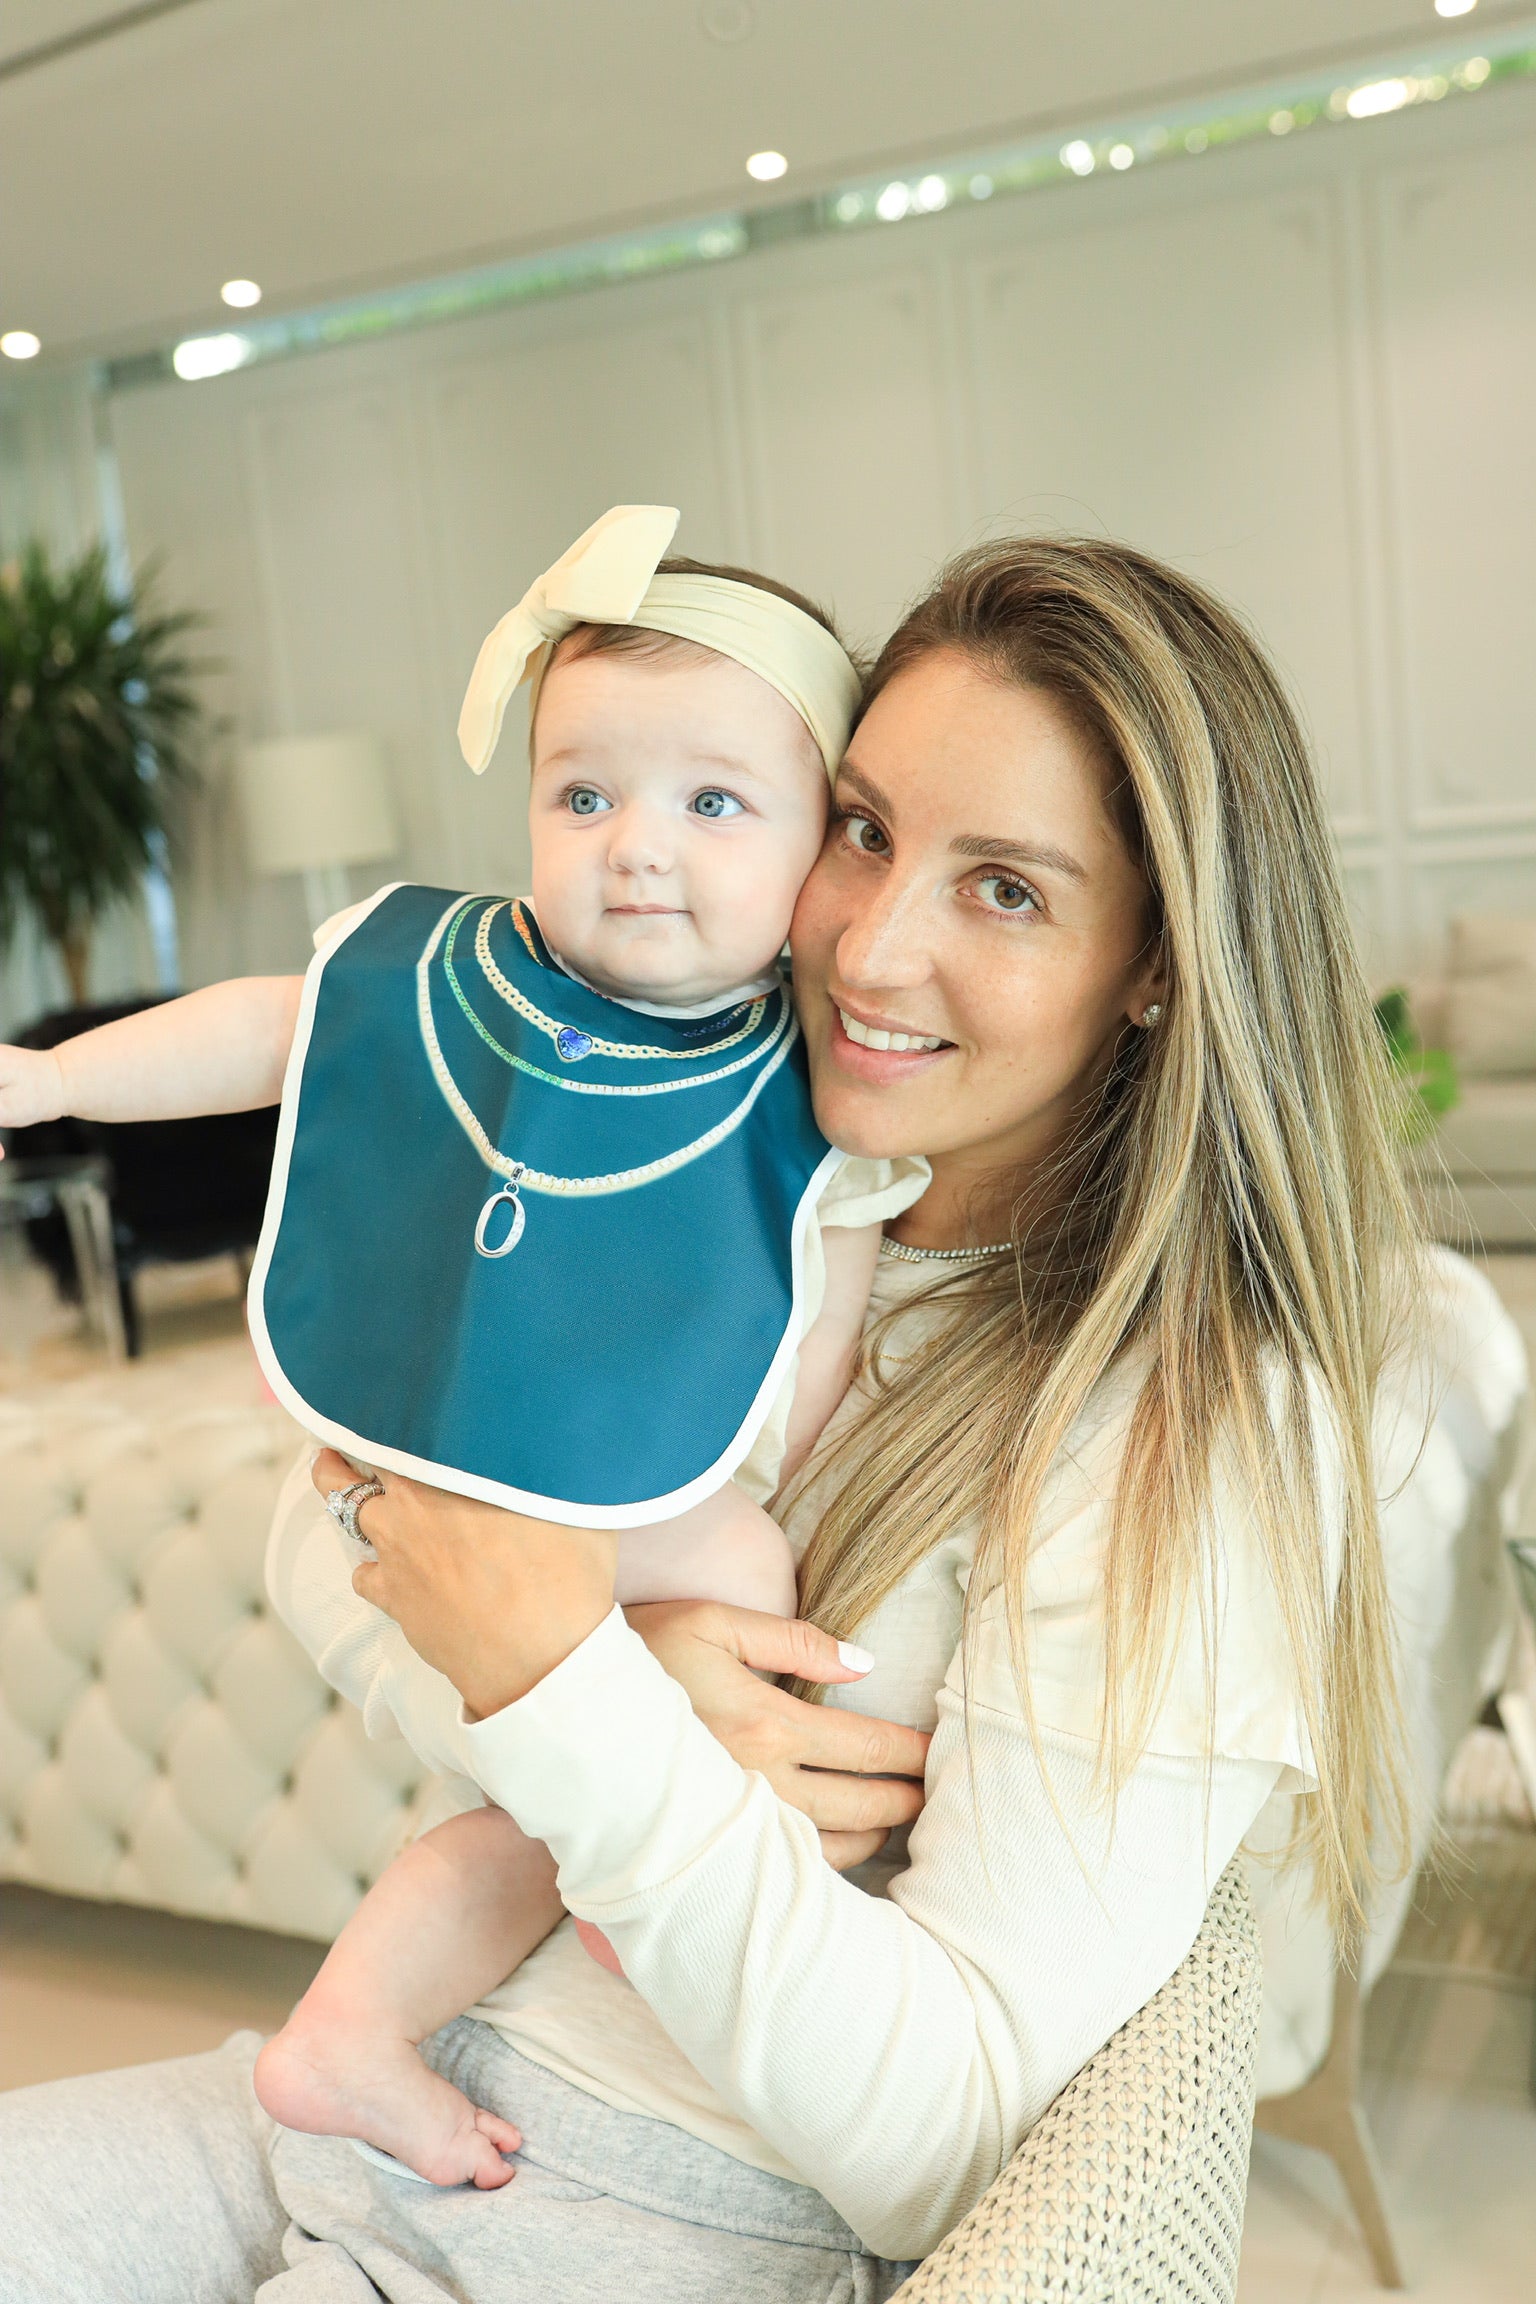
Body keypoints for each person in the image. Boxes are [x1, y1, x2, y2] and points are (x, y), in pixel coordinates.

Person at [0, 536, 1417, 2304]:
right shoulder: (726, 1161)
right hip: (391, 2069)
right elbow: (342, 1523)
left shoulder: (1185, 1430)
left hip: (635, 2211)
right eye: (866, 832)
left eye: (1008, 890)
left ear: (1159, 964)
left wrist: (562, 1686)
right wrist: (602, 1679)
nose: (872, 949)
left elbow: (941, 2148)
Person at [0, 505, 931, 2188]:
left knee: (536, 1800)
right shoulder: (448, 968)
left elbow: (817, 1313)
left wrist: (755, 1456)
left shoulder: (811, 1079)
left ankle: (352, 2029)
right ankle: (639, 1890)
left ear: (822, 851)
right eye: (583, 796)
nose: (636, 849)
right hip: (447, 1454)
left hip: (598, 1478)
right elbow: (272, 1032)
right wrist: (57, 1079)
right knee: (739, 1566)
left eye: (714, 804)